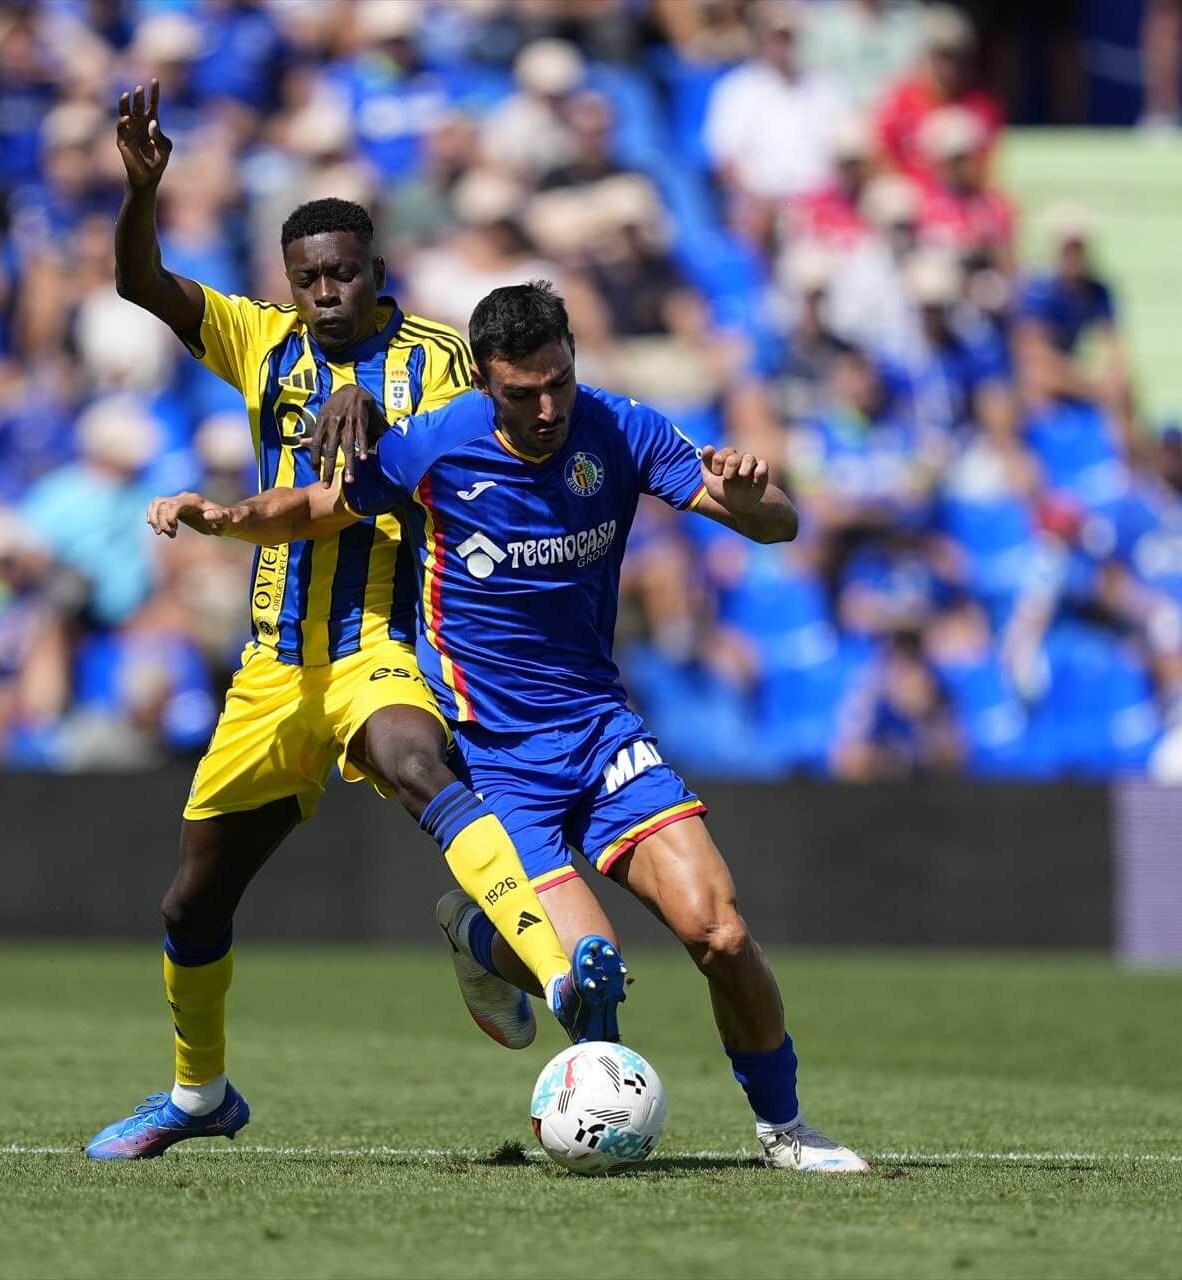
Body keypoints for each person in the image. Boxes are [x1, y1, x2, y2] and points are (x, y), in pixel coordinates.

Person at [152, 282, 869, 1173]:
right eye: (524, 393)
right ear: (487, 385)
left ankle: (786, 1131)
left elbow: (775, 527)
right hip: (496, 759)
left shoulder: (619, 429)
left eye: (559, 383)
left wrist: (756, 496)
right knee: (588, 981)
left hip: (601, 732)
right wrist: (224, 519)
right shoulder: (435, 445)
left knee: (718, 933)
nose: (547, 408)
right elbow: (314, 507)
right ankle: (485, 937)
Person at [83, 84, 618, 1162]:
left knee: (421, 762)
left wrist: (376, 422)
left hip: (384, 639)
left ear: (379, 271)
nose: (326, 293)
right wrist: (143, 191)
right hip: (275, 667)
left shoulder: (440, 355)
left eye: (343, 272)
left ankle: (565, 977)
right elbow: (139, 281)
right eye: (308, 277)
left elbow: (478, 440)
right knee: (194, 900)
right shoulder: (260, 340)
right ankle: (199, 1093)